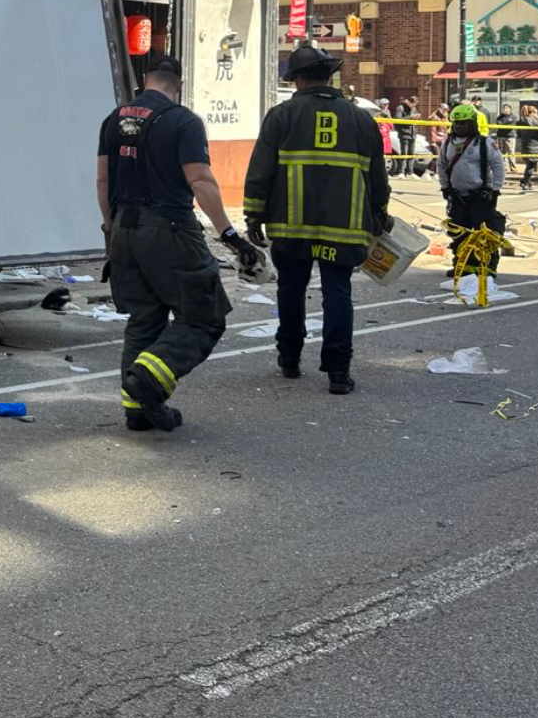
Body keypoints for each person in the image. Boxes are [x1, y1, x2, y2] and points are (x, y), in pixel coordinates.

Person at [96, 53, 265, 433]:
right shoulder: (182, 121)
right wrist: (230, 236)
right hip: (169, 229)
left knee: (144, 318)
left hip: (124, 229)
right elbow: (201, 181)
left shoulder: (114, 119)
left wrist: (111, 230)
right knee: (204, 316)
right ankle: (149, 383)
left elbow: (102, 182)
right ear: (179, 83)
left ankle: (136, 410)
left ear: (145, 78)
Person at [243, 44, 392, 395]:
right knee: (337, 293)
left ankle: (290, 359)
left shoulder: (281, 115)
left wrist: (254, 215)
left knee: (291, 291)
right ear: (330, 76)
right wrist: (379, 215)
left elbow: (260, 172)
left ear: (296, 79)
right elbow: (377, 177)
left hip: (291, 228)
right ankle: (338, 372)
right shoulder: (361, 119)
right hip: (344, 228)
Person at [439, 102, 507, 280]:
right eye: (457, 123)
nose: (460, 127)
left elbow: (498, 166)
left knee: (484, 235)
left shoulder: (485, 143)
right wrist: (445, 187)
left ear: (473, 123)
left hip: (480, 195)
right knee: (460, 234)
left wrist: (495, 190)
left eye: (464, 123)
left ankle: (488, 268)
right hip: (457, 196)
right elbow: (442, 165)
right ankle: (462, 266)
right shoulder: (448, 143)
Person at [515, 104, 538, 192]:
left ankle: (527, 181)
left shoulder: (520, 121)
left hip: (524, 145)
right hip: (534, 145)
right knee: (531, 166)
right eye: (536, 112)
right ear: (531, 113)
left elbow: (519, 135)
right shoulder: (535, 121)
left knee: (529, 165)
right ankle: (525, 182)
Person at [395, 95, 420, 175]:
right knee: (404, 153)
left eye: (415, 105)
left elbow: (413, 119)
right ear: (409, 102)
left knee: (411, 153)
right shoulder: (400, 107)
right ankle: (401, 171)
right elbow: (398, 120)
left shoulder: (414, 109)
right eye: (413, 104)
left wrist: (417, 117)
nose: (413, 107)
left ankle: (410, 172)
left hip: (413, 133)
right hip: (404, 133)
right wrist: (410, 117)